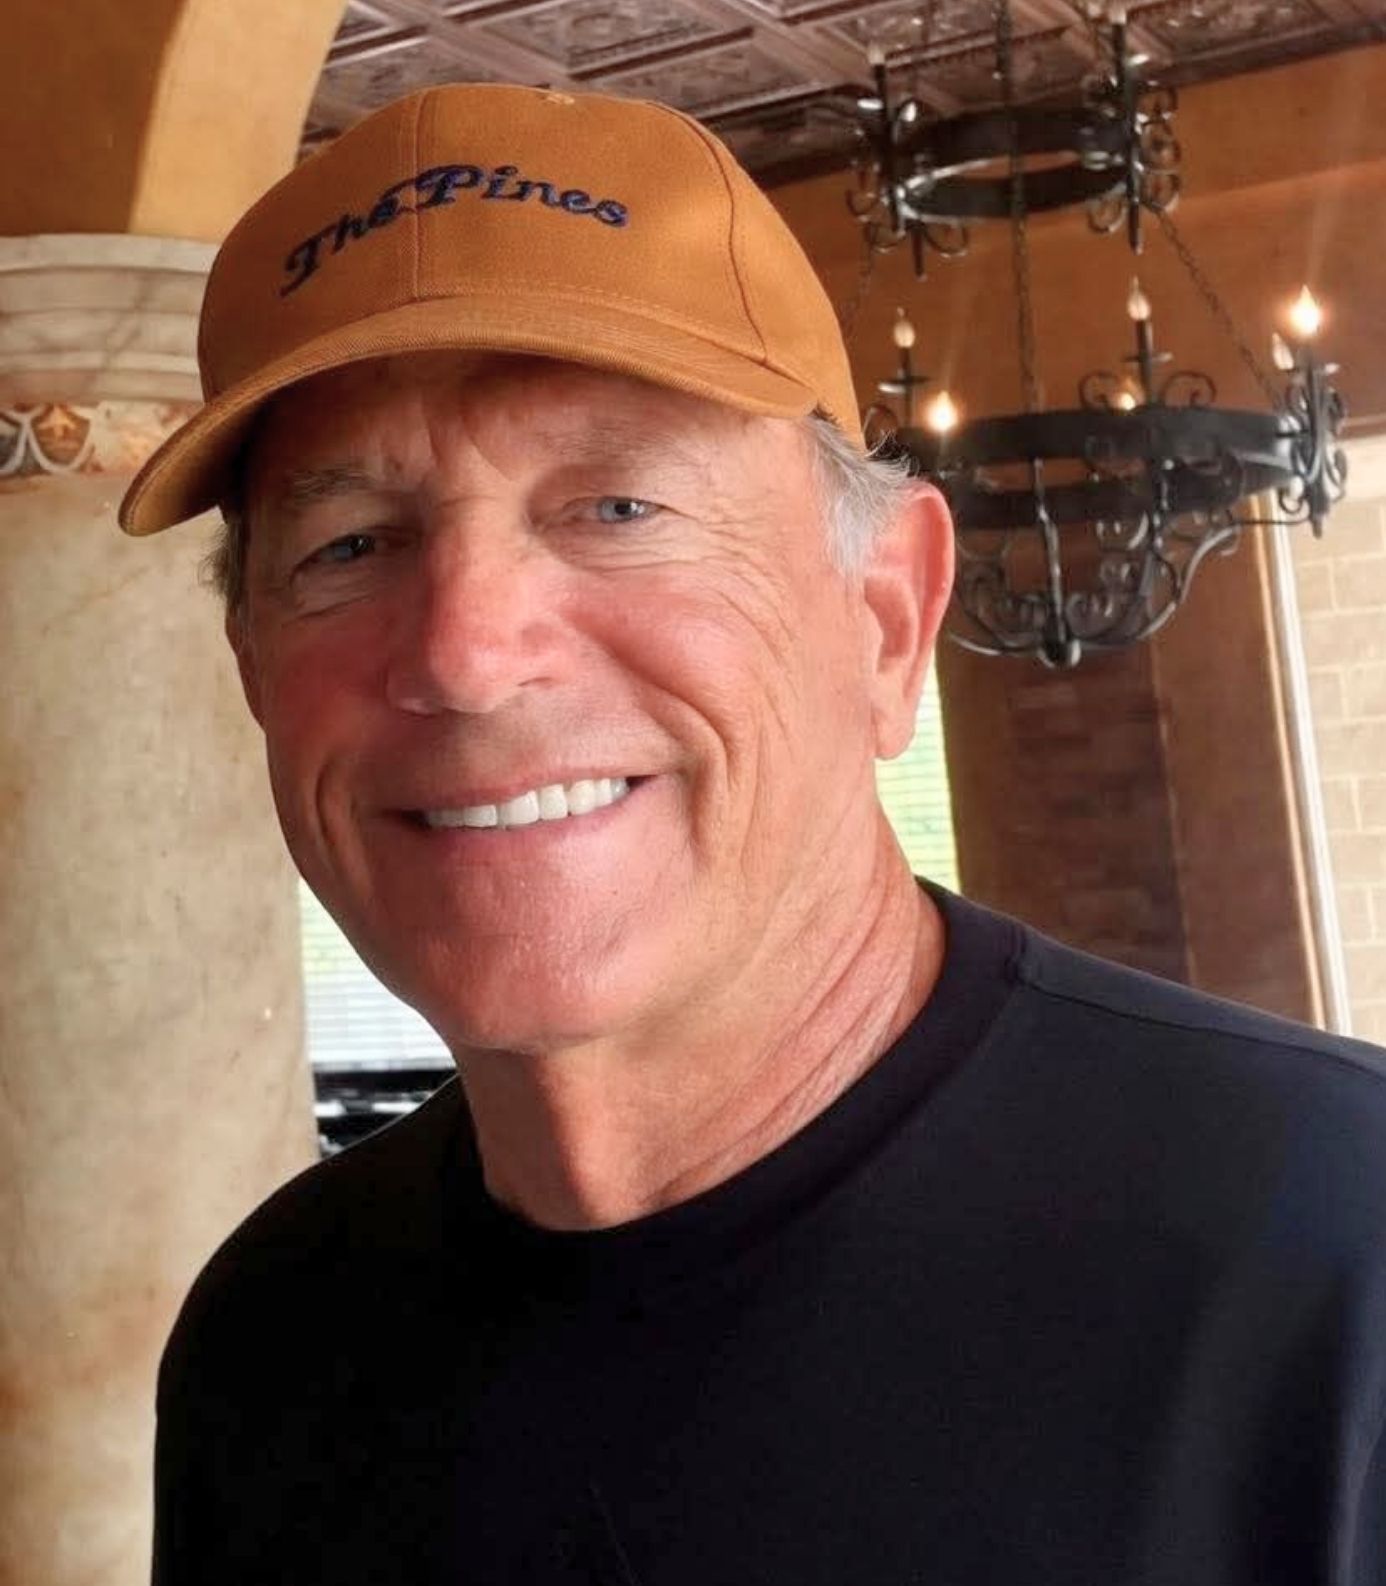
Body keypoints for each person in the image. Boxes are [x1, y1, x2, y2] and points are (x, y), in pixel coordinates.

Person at [121, 83, 1386, 1585]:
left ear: (884, 619)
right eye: (348, 545)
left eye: (617, 506)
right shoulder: (272, 1338)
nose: (463, 654)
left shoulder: (1345, 1266)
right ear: (253, 671)